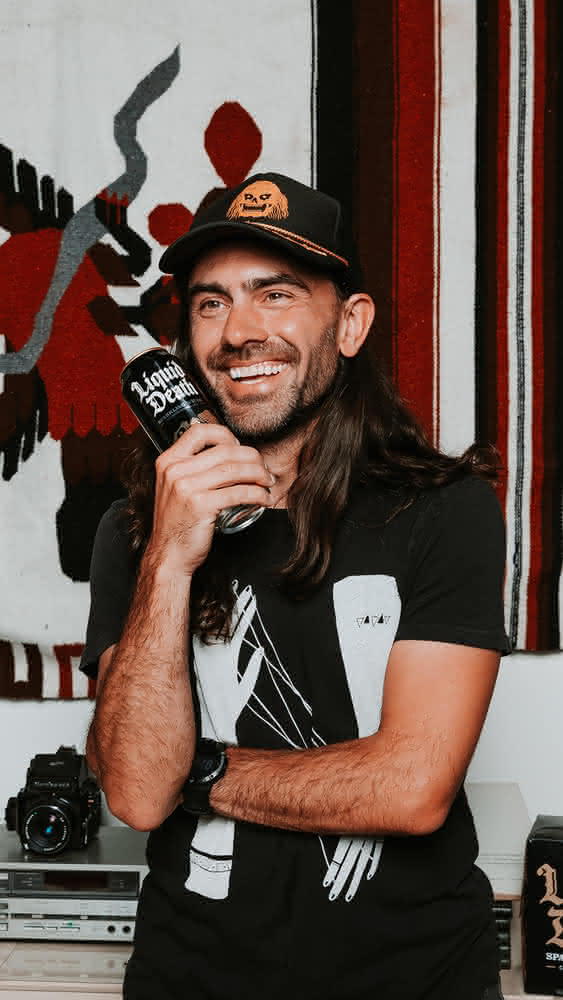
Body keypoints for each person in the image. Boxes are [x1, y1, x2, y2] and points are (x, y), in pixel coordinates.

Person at [80, 172, 510, 1000]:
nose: (239, 331)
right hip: (189, 980)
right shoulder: (133, 534)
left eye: (274, 295)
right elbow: (135, 793)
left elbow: (411, 787)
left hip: (414, 982)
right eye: (209, 304)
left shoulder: (442, 509)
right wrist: (170, 558)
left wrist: (196, 776)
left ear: (348, 325)